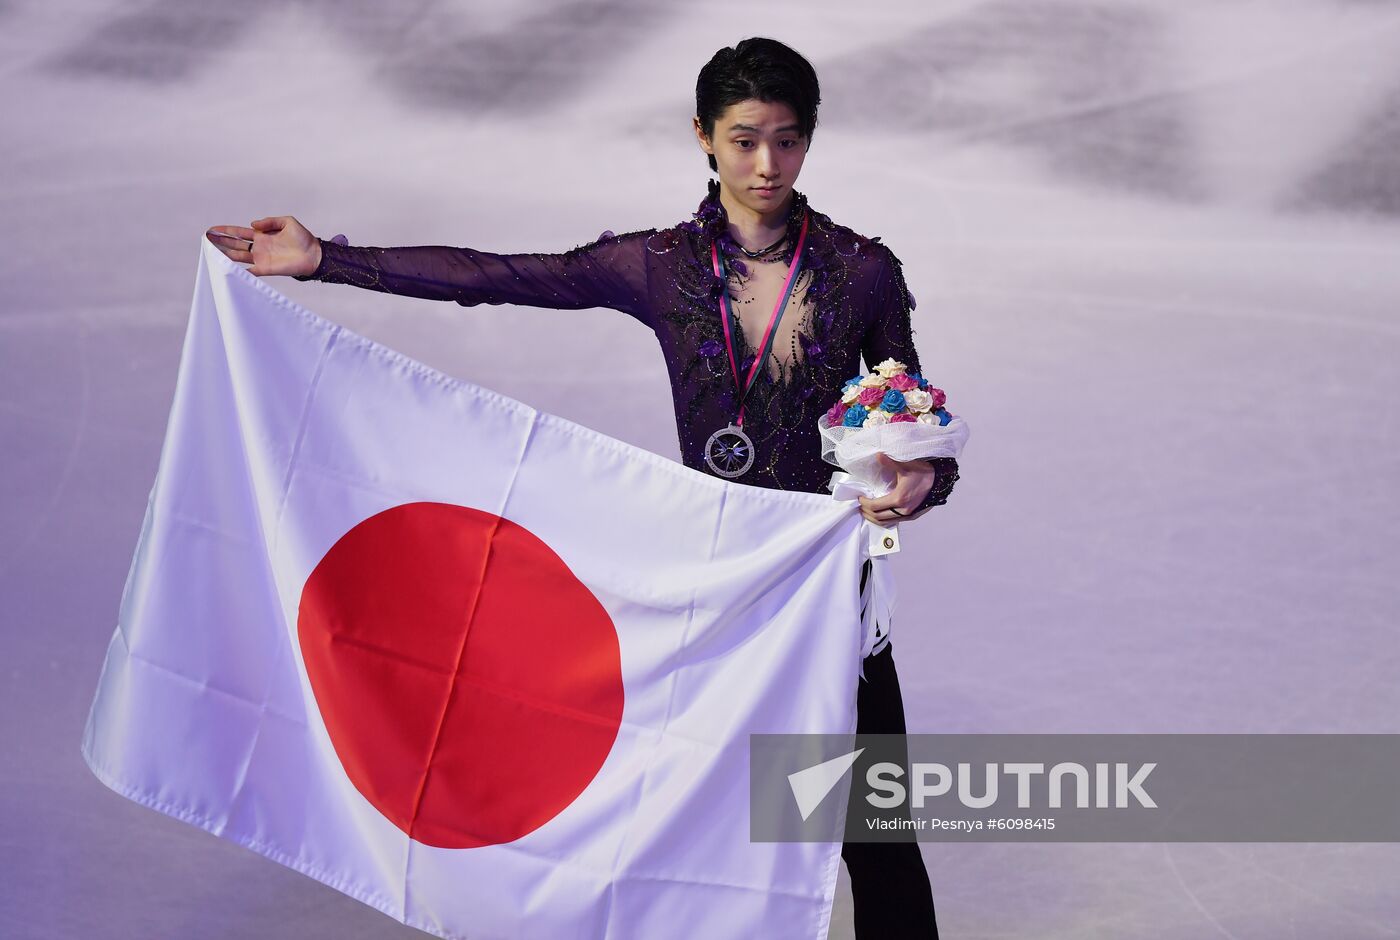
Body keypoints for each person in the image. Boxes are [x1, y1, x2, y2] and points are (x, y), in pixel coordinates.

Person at [208, 35, 955, 940]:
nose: (768, 164)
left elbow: (917, 423)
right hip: (709, 585)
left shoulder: (860, 271)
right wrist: (328, 256)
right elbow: (497, 278)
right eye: (746, 138)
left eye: (789, 140)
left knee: (875, 829)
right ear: (703, 137)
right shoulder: (663, 264)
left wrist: (917, 476)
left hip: (823, 589)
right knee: (678, 818)